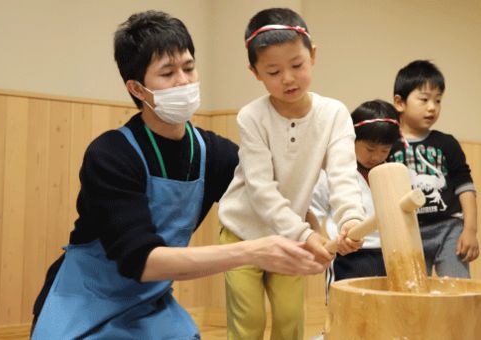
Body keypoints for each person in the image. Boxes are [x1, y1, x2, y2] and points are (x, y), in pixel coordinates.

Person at [30, 10, 328, 339]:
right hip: (83, 302)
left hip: (150, 303)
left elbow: (266, 198)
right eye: (168, 73)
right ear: (138, 89)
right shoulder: (111, 155)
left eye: (188, 67)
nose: (184, 81)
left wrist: (309, 227)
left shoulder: (213, 154)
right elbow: (141, 261)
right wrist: (253, 251)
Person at [218, 8, 366, 340]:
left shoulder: (334, 114)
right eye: (273, 71)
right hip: (243, 233)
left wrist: (350, 221)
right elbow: (262, 192)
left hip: (291, 236)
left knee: (290, 322)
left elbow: (343, 176)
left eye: (297, 66)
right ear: (255, 72)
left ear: (312, 56)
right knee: (248, 323)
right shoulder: (251, 117)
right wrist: (307, 234)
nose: (287, 78)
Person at [388, 60, 479, 278]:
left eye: (438, 100)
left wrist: (470, 230)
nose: (432, 107)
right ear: (399, 103)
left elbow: (466, 187)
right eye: (424, 99)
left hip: (448, 229)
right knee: (413, 295)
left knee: (456, 292)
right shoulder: (388, 145)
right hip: (407, 232)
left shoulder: (447, 143)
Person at [309, 100, 401, 287]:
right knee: (347, 310)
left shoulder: (394, 173)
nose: (376, 156)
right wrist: (322, 242)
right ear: (351, 139)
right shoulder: (332, 173)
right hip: (348, 254)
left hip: (388, 253)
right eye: (370, 149)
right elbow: (313, 212)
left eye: (385, 150)